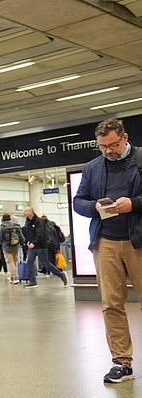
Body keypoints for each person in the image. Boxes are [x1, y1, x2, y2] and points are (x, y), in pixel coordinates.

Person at [73, 117, 142, 383]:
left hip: (138, 240)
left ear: (124, 138)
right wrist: (95, 208)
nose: (108, 151)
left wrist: (133, 204)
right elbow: (79, 201)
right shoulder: (92, 168)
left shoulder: (139, 159)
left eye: (113, 145)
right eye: (102, 147)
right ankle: (121, 362)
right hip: (106, 242)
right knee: (111, 304)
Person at [21, 207, 68, 289]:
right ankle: (32, 282)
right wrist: (28, 241)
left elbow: (40, 235)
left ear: (31, 212)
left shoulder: (39, 222)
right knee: (29, 262)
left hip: (41, 246)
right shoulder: (28, 222)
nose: (24, 212)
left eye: (26, 211)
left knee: (46, 264)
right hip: (32, 247)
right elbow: (29, 233)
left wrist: (34, 242)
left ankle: (61, 274)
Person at [0, 214, 25, 284]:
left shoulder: (2, 227)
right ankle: (12, 277)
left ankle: (15, 277)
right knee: (14, 262)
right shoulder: (17, 226)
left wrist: (3, 243)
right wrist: (20, 243)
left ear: (3, 219)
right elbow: (22, 238)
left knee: (10, 262)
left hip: (7, 247)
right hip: (16, 246)